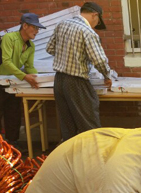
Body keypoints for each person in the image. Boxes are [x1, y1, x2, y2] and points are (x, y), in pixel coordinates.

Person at [46, 2, 112, 141]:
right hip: (76, 82)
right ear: (95, 15)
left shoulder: (61, 24)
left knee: (67, 125)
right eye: (97, 21)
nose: (96, 25)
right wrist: (107, 76)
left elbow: (50, 49)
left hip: (59, 81)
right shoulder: (87, 32)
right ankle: (95, 157)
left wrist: (67, 56)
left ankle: (70, 159)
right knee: (89, 124)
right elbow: (99, 60)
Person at [0, 13, 45, 150]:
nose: (37, 31)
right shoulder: (9, 38)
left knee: (13, 115)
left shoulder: (31, 46)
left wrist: (37, 79)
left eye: (38, 28)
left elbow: (29, 67)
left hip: (12, 83)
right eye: (34, 28)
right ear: (24, 25)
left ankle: (12, 145)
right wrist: (25, 77)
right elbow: (7, 62)